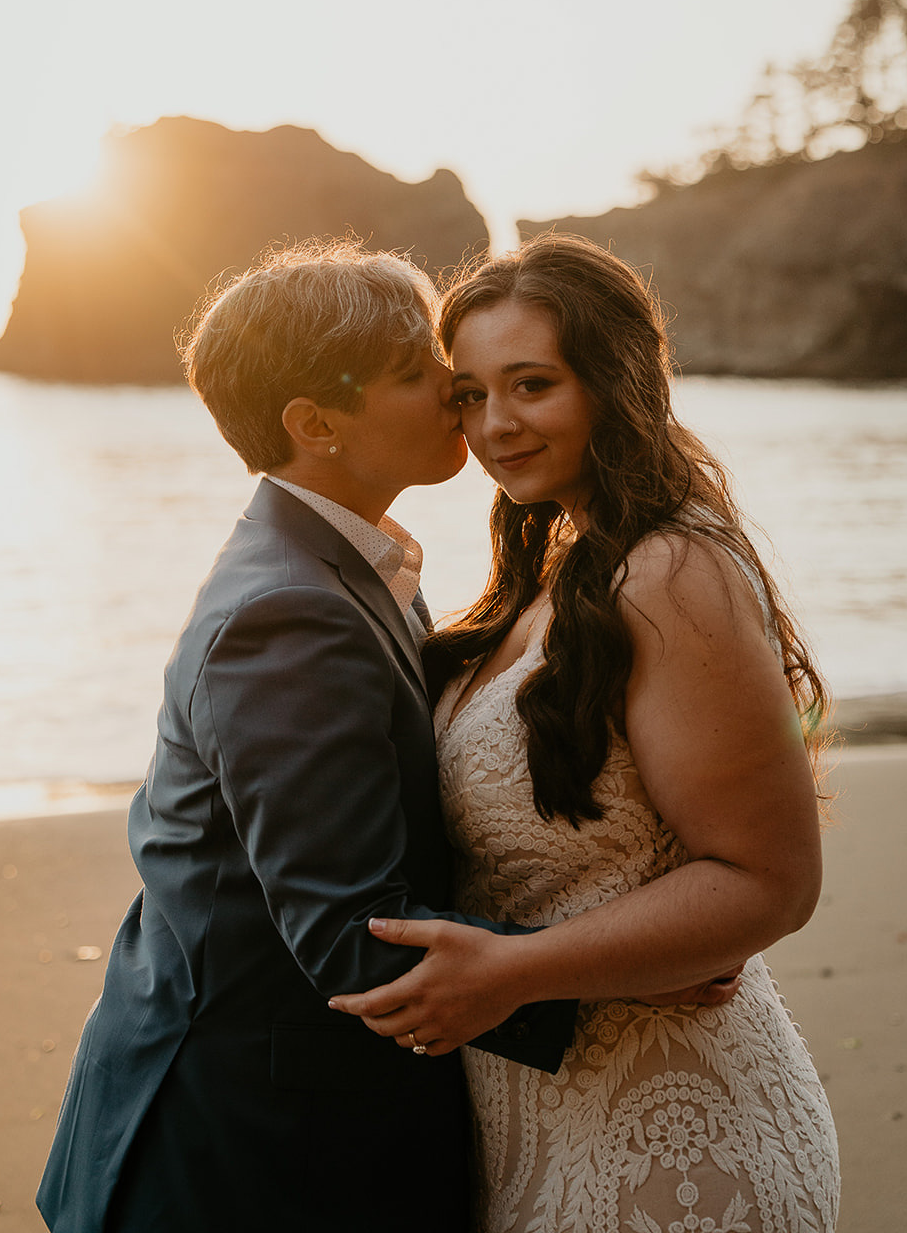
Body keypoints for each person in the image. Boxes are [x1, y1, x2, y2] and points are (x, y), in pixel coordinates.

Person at [36, 241, 578, 1233]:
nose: (454, 389)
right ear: (314, 425)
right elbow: (352, 939)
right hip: (246, 1155)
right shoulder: (288, 613)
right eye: (415, 374)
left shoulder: (333, 564)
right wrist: (616, 978)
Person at [330, 234, 842, 1233]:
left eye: (530, 384)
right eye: (469, 394)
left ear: (616, 383)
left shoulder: (670, 573)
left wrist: (513, 970)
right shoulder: (556, 566)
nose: (494, 425)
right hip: (541, 1119)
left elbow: (770, 879)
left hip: (674, 1145)